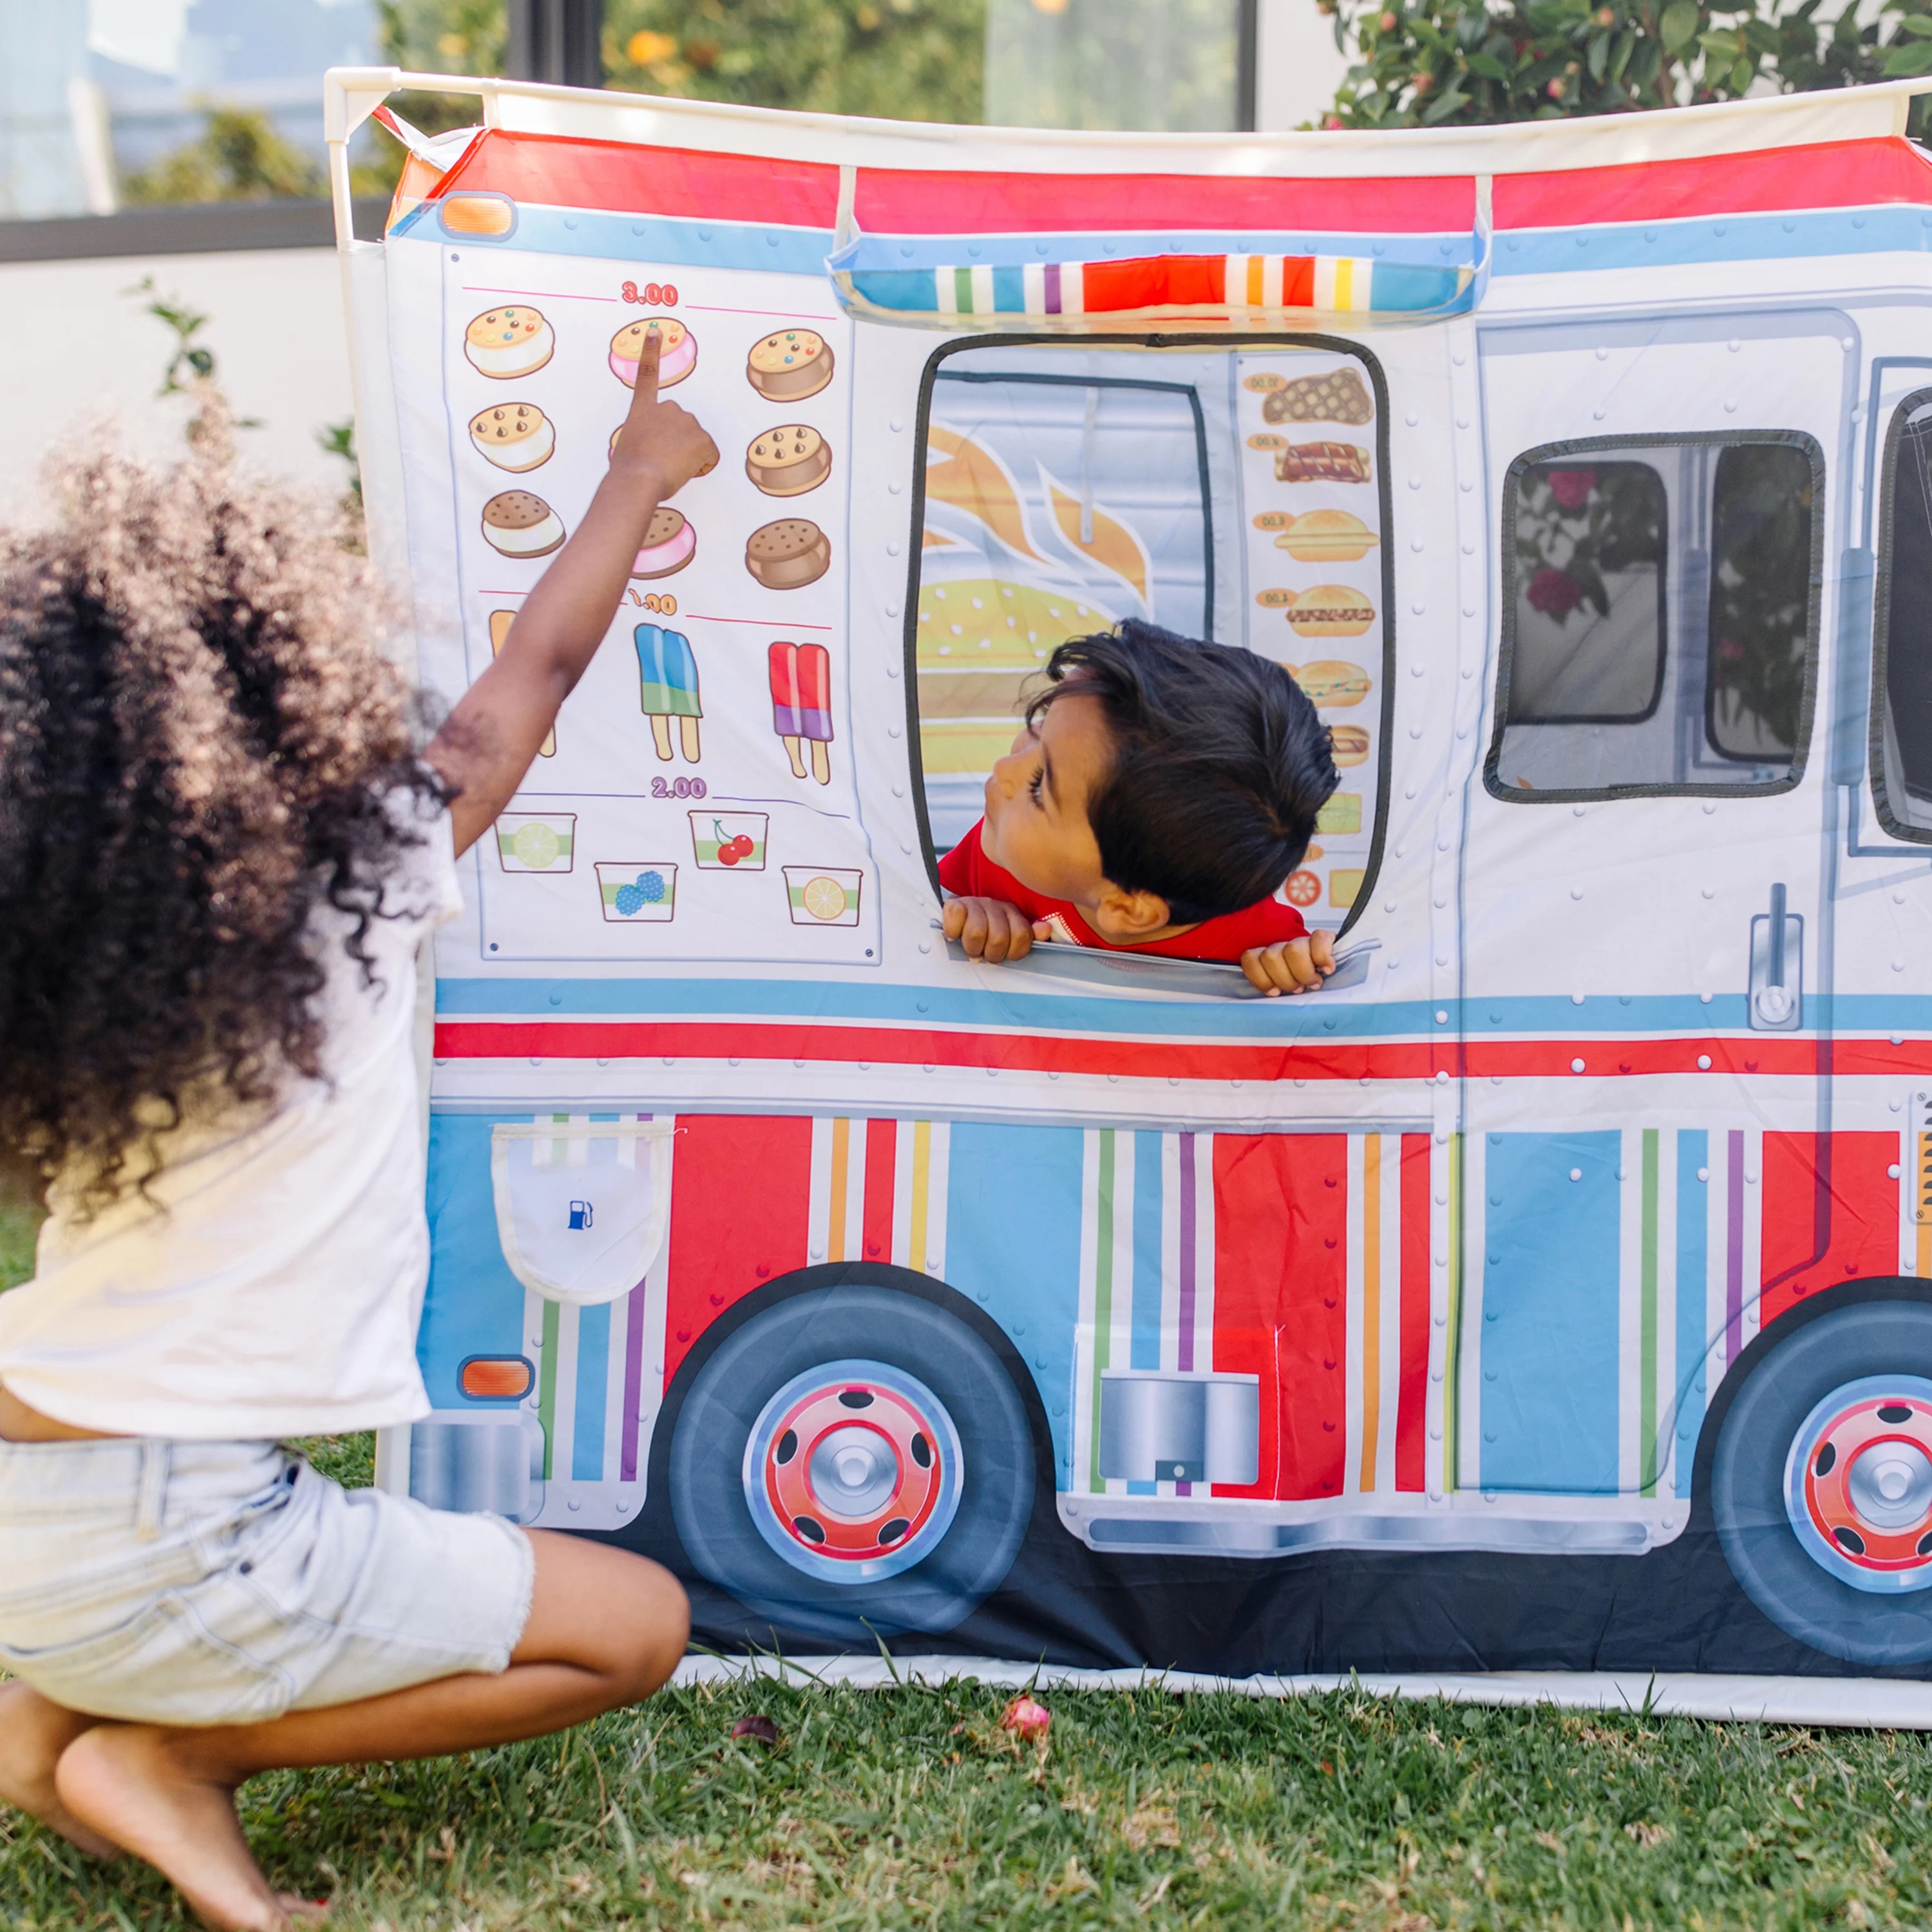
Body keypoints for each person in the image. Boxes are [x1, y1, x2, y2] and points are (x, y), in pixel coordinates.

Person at [0, 327, 718, 1932]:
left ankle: (57, 1722)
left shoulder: (85, 987)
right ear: (285, 674)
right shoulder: (365, 875)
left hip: (25, 1510)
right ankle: (174, 1759)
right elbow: (526, 682)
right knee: (640, 1625)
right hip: (181, 1540)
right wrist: (637, 468)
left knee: (102, 1620)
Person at [938, 621, 1344, 995]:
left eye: (1040, 788)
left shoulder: (1264, 945)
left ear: (1127, 909)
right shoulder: (998, 855)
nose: (1003, 768)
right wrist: (960, 911)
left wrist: (1296, 974)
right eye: (1043, 724)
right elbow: (925, 909)